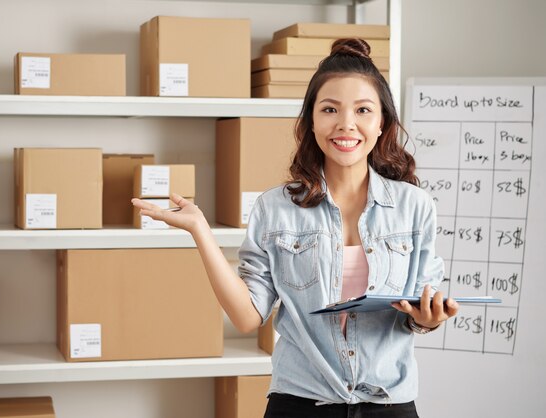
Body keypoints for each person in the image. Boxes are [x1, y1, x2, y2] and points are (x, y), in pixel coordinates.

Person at [132, 38, 459, 418]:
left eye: (363, 110)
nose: (346, 124)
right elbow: (246, 317)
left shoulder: (414, 206)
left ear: (381, 120)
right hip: (301, 404)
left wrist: (426, 318)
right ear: (310, 121)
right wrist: (200, 231)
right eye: (330, 109)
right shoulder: (275, 207)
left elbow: (421, 304)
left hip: (388, 403)